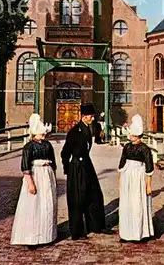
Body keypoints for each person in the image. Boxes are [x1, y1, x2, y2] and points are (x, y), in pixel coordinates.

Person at [61, 103, 115, 240]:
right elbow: (65, 153)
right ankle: (77, 232)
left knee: (95, 195)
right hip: (77, 167)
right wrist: (68, 170)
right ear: (84, 117)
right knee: (78, 199)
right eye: (91, 116)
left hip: (87, 165)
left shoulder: (88, 129)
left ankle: (97, 225)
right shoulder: (74, 131)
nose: (92, 119)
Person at [11, 113, 57, 247]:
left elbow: (53, 162)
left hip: (46, 175)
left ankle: (46, 235)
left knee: (46, 204)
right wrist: (30, 183)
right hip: (36, 175)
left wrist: (52, 176)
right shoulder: (29, 147)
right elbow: (25, 166)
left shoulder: (48, 145)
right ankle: (32, 237)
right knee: (34, 206)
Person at [118, 114, 155, 243]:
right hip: (128, 177)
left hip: (138, 178)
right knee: (127, 204)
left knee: (137, 202)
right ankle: (127, 232)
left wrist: (148, 185)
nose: (130, 137)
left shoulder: (145, 149)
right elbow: (121, 165)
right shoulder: (127, 147)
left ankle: (139, 232)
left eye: (132, 135)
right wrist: (120, 181)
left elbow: (149, 169)